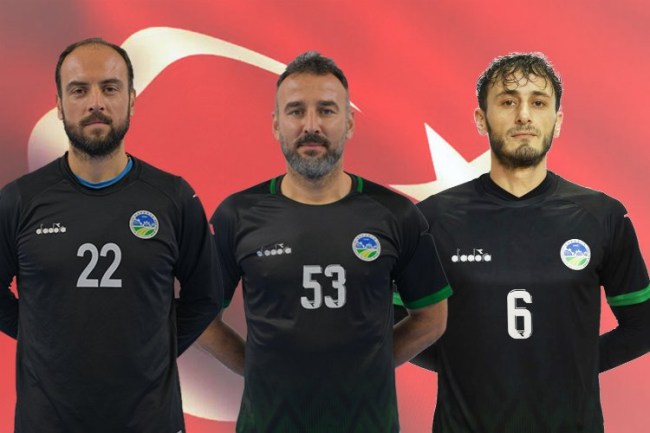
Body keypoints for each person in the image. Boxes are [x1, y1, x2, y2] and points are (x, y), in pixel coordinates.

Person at [396, 52, 650, 432]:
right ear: (481, 119)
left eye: (539, 103)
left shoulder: (603, 215)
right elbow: (395, 321)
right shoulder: (431, 220)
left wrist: (573, 367)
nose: (524, 116)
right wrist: (463, 368)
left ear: (557, 121)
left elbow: (642, 326)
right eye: (508, 102)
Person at [197, 51, 451, 433]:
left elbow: (432, 318)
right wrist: (259, 369)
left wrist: (371, 368)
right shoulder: (237, 213)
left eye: (327, 111)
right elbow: (201, 318)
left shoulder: (396, 213)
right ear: (276, 124)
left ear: (349, 123)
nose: (311, 125)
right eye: (296, 111)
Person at [0, 38, 222, 433]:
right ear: (59, 104)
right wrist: (41, 338)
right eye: (79, 90)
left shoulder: (173, 197)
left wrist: (153, 350)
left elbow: (205, 297)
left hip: (150, 421)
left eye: (110, 88)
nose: (95, 102)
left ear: (132, 100)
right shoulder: (20, 200)